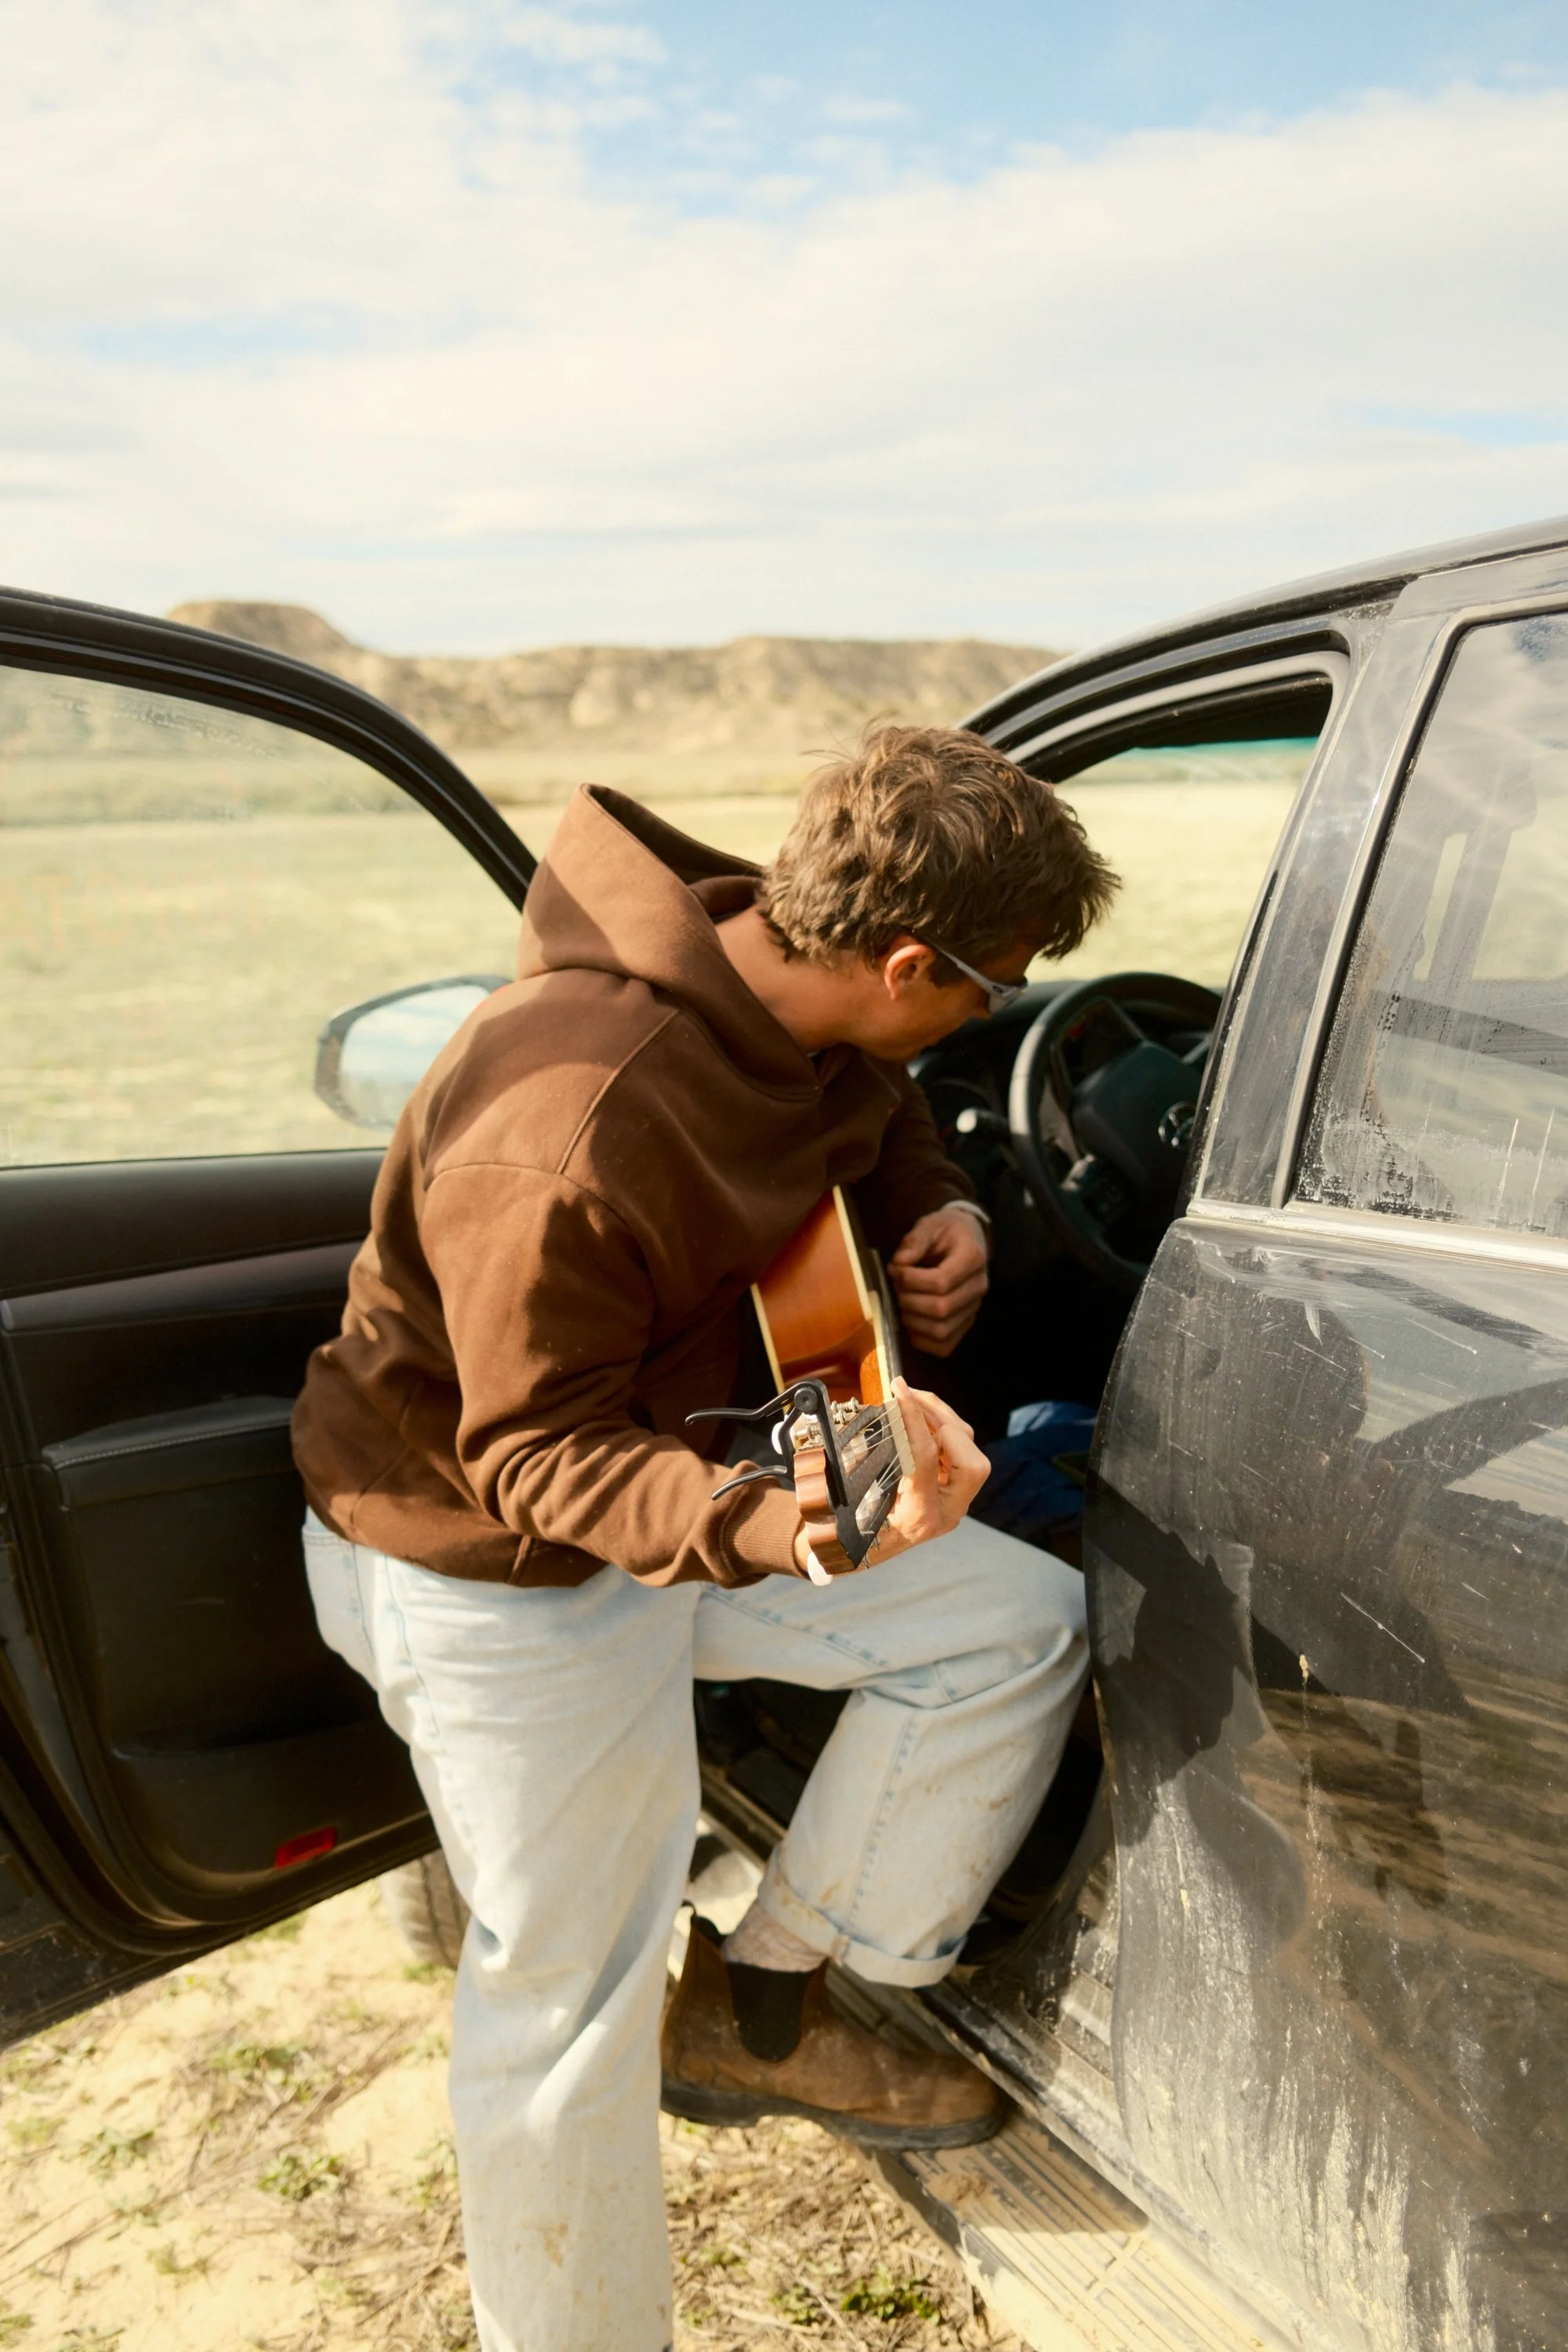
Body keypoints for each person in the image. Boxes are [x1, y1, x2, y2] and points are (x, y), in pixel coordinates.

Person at [292, 723, 1116, 2352]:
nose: (991, 1018)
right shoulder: (574, 1121)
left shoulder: (795, 996)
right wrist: (770, 1519)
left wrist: (929, 1208)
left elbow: (867, 1102)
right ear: (901, 958)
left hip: (697, 1502)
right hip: (498, 1572)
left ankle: (763, 2009)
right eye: (990, 991)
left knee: (1007, 1629)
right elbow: (527, 1454)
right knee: (565, 2012)